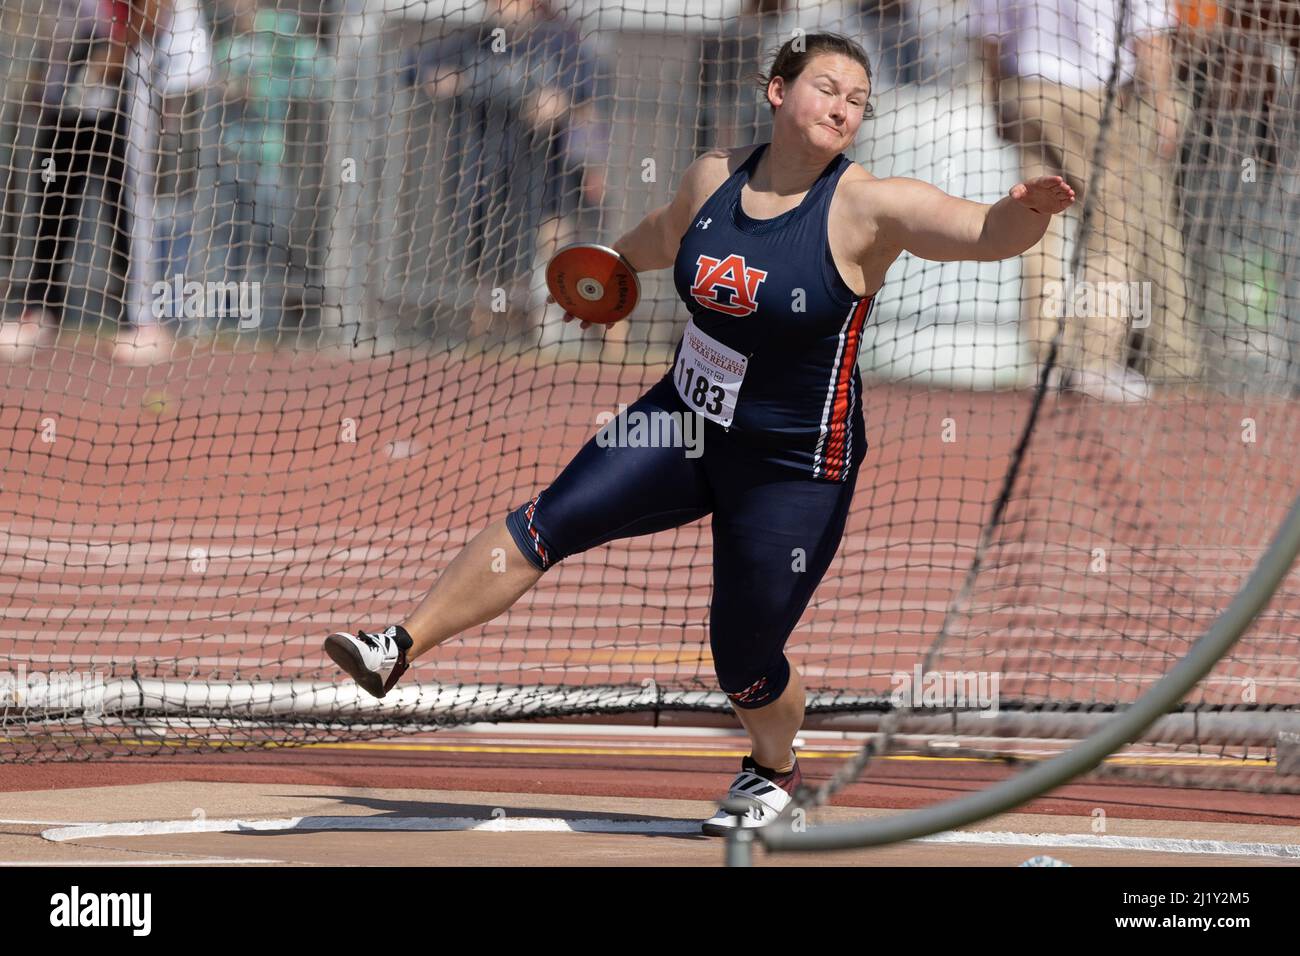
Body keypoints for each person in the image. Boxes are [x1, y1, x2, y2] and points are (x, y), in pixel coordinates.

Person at [323, 32, 1075, 834]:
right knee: (547, 521)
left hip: (791, 464)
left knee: (744, 662)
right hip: (682, 419)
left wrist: (1022, 211)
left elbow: (978, 232)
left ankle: (773, 769)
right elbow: (667, 232)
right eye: (827, 88)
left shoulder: (867, 205)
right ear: (777, 91)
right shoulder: (716, 174)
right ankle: (396, 647)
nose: (844, 108)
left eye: (858, 100)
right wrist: (609, 264)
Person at [972, 0, 1200, 401]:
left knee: (1037, 226)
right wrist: (1163, 103)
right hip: (1090, 94)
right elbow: (1149, 36)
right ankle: (1094, 364)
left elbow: (990, 33)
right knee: (1113, 229)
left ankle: (1048, 363)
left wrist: (996, 97)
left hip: (1025, 89)